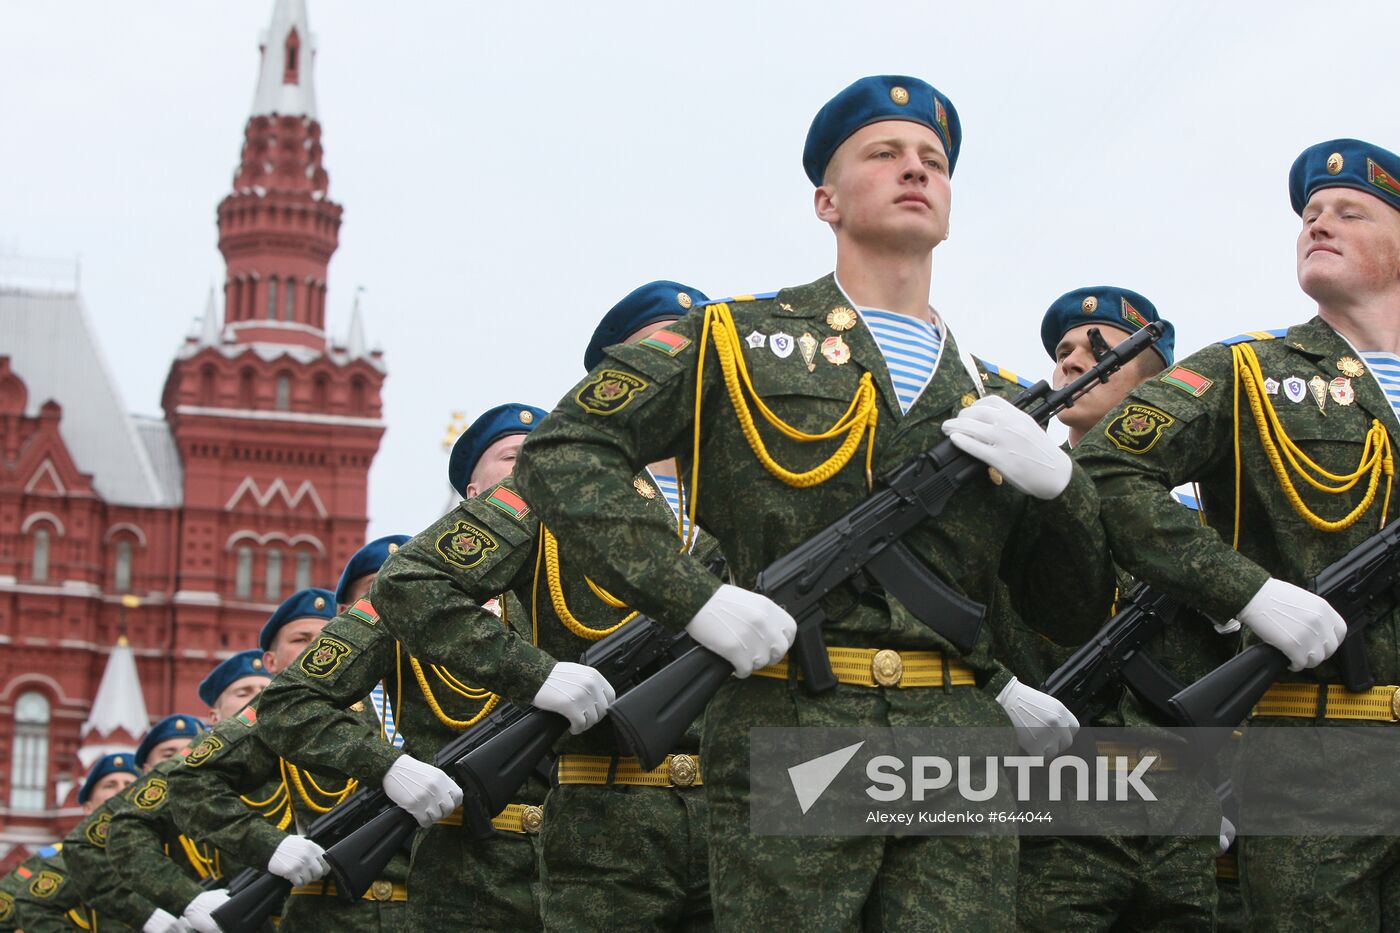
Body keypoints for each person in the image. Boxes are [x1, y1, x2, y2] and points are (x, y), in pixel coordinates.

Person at [512, 75, 1113, 929]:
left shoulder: (1002, 398)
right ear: (826, 200)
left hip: (952, 731)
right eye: (885, 154)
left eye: (934, 161)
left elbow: (1068, 606)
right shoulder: (735, 339)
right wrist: (698, 597)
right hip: (798, 712)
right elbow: (563, 450)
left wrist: (1062, 490)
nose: (916, 171)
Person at [1072, 138, 1400, 931]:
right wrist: (1248, 590)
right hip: (1318, 746)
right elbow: (1109, 469)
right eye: (1310, 214)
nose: (1319, 221)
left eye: (1349, 211)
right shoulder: (1248, 372)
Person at [372, 287, 725, 931]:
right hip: (610, 825)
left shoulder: (759, 494)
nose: (680, 370)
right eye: (660, 352)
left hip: (742, 818)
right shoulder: (549, 493)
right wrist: (538, 676)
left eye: (696, 352)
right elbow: (408, 585)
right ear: (614, 381)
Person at [257, 416, 545, 932]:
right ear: (474, 495)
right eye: (513, 458)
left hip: (591, 857)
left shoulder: (595, 585)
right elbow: (289, 705)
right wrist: (389, 767)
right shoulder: (403, 598)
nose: (534, 469)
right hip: (470, 873)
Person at [168, 589, 412, 932]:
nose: (317, 645)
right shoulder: (266, 717)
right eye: (301, 639)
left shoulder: (394, 698)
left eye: (329, 632)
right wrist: (272, 846)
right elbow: (189, 784)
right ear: (271, 661)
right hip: (328, 914)